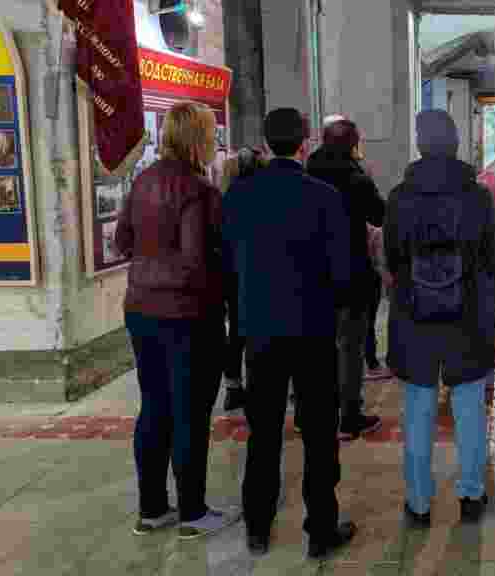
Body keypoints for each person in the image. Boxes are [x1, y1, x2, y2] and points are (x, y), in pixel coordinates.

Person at [222, 107, 356, 556]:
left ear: (265, 143)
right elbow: (342, 273)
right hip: (313, 332)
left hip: (260, 331)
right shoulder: (324, 197)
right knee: (319, 434)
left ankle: (257, 527)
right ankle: (321, 531)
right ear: (305, 143)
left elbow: (228, 265)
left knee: (263, 432)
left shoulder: (239, 195)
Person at [114, 101, 239, 540]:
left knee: (155, 406)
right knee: (190, 413)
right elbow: (196, 262)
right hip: (189, 316)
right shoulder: (199, 191)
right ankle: (193, 512)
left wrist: (152, 260)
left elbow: (121, 242)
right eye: (210, 135)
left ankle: (151, 509)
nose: (215, 142)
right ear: (197, 139)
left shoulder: (143, 180)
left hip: (141, 309)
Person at [385, 109, 495, 527]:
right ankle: (471, 495)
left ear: (420, 144)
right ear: (455, 143)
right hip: (468, 316)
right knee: (470, 409)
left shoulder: (400, 197)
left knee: (418, 411)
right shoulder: (478, 197)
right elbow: (493, 259)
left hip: (414, 314)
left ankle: (418, 503)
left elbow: (393, 258)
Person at [307, 116, 387, 440]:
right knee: (350, 348)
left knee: (318, 347)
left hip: (312, 273)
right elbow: (379, 215)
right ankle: (349, 416)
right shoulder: (356, 179)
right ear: (354, 145)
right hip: (351, 272)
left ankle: (317, 413)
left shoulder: (308, 172)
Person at [218, 147, 268, 412]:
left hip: (231, 273)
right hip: (258, 272)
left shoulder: (227, 196)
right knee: (258, 330)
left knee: (236, 331)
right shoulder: (264, 195)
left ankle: (233, 388)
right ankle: (258, 386)